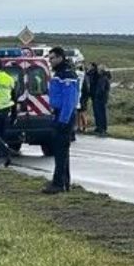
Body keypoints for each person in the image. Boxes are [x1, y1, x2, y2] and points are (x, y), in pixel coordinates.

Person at [43, 47, 80, 194]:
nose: (50, 61)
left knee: (60, 151)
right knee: (61, 152)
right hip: (59, 114)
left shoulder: (66, 75)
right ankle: (63, 182)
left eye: (52, 58)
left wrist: (63, 120)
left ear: (60, 57)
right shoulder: (60, 73)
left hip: (64, 116)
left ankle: (59, 184)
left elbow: (69, 100)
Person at [92, 64, 111, 136]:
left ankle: (102, 128)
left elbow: (101, 89)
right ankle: (100, 127)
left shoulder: (103, 78)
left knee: (101, 114)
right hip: (101, 98)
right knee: (99, 113)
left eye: (99, 70)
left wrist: (98, 95)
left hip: (101, 98)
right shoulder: (102, 77)